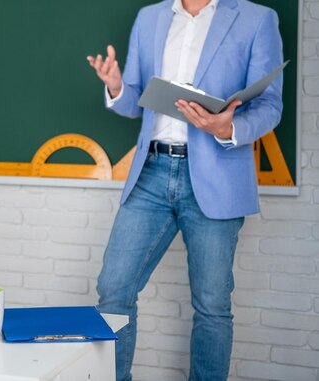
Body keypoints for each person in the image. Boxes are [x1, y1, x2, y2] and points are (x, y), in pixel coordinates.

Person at [86, 0, 283, 380]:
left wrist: (226, 129)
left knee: (211, 304)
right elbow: (136, 100)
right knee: (113, 289)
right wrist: (116, 86)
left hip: (217, 174)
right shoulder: (150, 17)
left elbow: (270, 104)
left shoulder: (258, 19)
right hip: (151, 173)